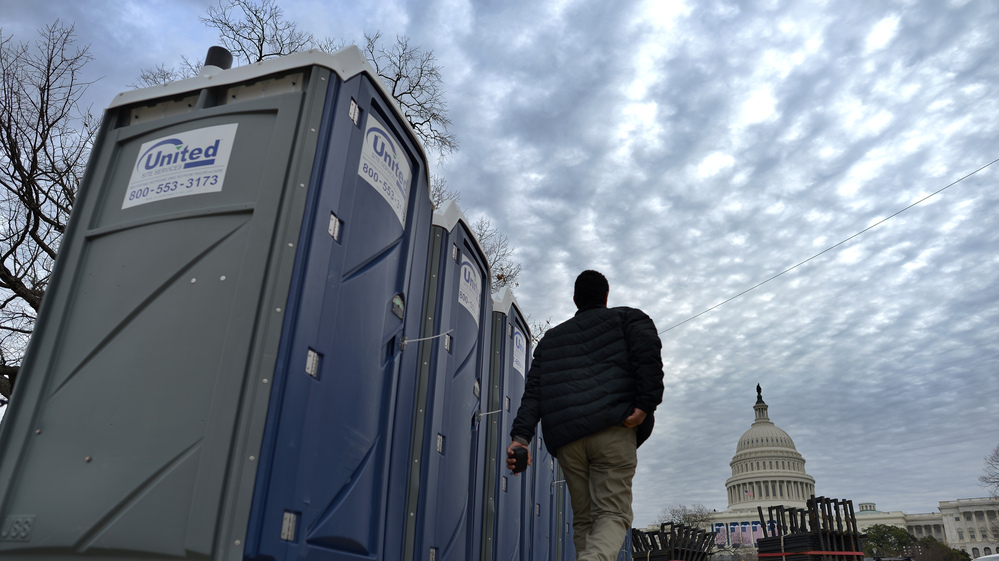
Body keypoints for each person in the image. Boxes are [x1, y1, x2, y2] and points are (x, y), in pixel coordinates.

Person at [507, 270, 664, 561]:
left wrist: (521, 439)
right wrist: (644, 405)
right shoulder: (628, 318)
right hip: (614, 429)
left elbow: (534, 394)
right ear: (606, 296)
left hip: (568, 442)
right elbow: (648, 356)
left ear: (575, 299)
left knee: (584, 519)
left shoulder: (550, 342)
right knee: (613, 514)